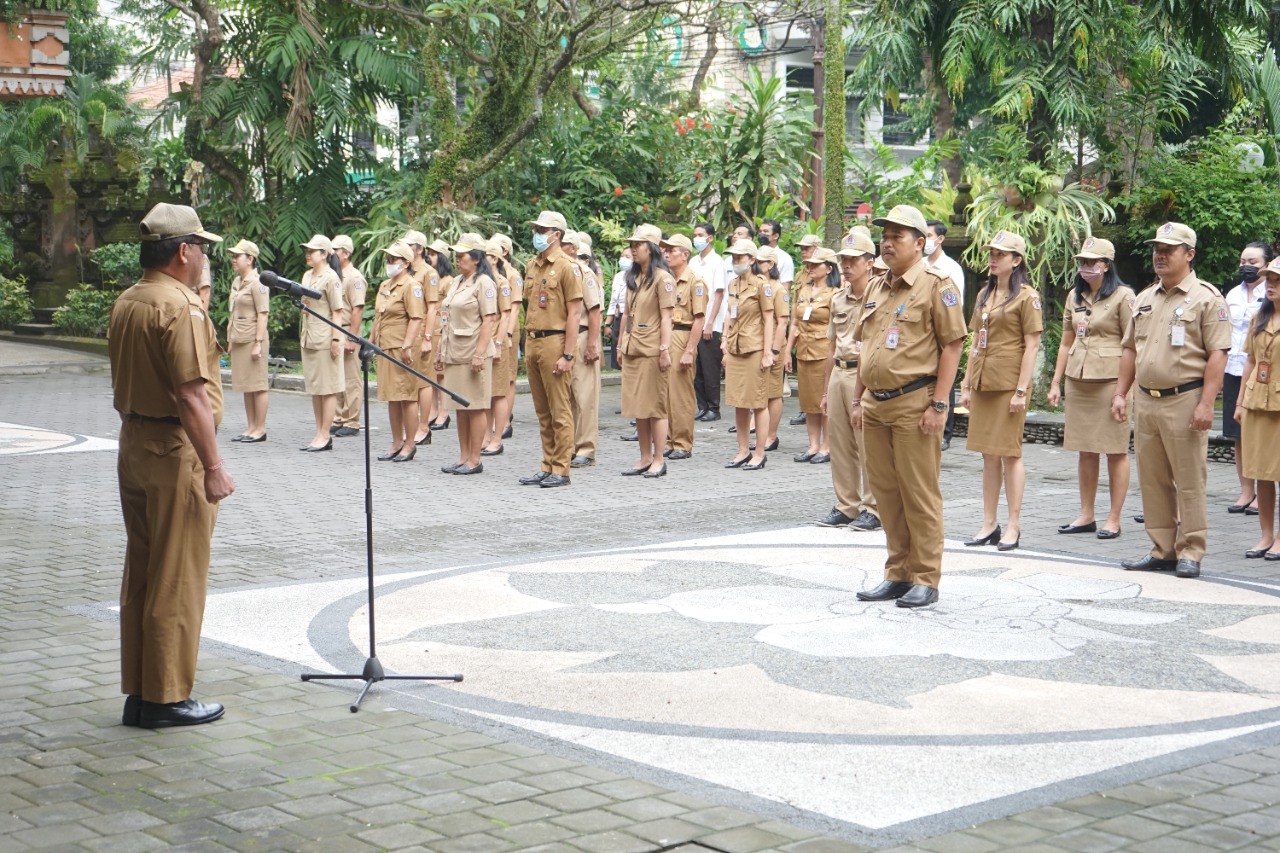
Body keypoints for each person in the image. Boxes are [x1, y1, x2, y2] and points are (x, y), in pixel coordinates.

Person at [108, 202, 233, 728]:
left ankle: (140, 692)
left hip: (135, 443)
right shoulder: (181, 307)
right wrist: (213, 465)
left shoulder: (128, 300)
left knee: (143, 570)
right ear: (183, 251)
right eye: (201, 247)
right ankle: (166, 698)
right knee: (176, 574)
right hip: (173, 449)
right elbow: (190, 395)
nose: (204, 257)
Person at [851, 205, 965, 609]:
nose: (887, 243)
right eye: (885, 236)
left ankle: (925, 578)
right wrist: (858, 398)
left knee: (919, 494)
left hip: (915, 403)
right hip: (875, 404)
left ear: (920, 243)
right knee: (886, 494)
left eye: (897, 236)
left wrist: (940, 404)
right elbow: (867, 347)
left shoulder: (937, 285)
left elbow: (953, 345)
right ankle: (897, 573)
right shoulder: (876, 286)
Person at [1113, 222, 1230, 579]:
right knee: (1153, 479)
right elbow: (1130, 349)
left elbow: (1218, 354)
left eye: (1169, 249)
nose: (1159, 255)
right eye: (1156, 249)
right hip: (1146, 401)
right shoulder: (1145, 298)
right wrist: (1120, 393)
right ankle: (1162, 549)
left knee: (1189, 479)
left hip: (1185, 398)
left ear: (1189, 254)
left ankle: (1191, 550)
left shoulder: (1207, 298)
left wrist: (1206, 403)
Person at [957, 230, 1044, 552]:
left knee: (1010, 453)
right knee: (987, 455)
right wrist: (966, 384)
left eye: (1000, 254)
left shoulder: (1027, 297)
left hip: (1009, 384)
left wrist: (1021, 390)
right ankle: (988, 523)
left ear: (1016, 260)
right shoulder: (985, 294)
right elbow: (975, 343)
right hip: (983, 382)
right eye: (991, 254)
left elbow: (1032, 346)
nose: (993, 259)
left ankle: (1013, 526)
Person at [1046, 237, 1135, 539]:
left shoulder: (1124, 296)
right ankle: (1087, 515)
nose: (1085, 267)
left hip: (1111, 381)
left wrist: (1123, 391)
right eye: (1082, 262)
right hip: (1079, 380)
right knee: (1085, 450)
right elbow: (1066, 342)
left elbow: (1131, 345)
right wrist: (1056, 382)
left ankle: (1114, 518)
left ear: (1106, 265)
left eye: (1091, 262)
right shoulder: (1075, 296)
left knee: (1115, 450)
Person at [818, 230, 880, 530]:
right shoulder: (838, 299)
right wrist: (825, 391)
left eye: (854, 259)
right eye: (844, 259)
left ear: (870, 262)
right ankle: (847, 504)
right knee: (840, 443)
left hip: (865, 374)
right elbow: (831, 347)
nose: (846, 264)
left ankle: (874, 506)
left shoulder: (879, 297)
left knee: (868, 444)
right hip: (840, 373)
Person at [519, 210, 582, 487]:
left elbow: (575, 313)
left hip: (555, 341)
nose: (537, 234)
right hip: (533, 341)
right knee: (542, 411)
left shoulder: (568, 267)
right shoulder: (532, 265)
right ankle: (547, 464)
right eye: (536, 229)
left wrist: (568, 354)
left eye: (542, 230)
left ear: (557, 235)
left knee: (560, 410)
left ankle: (561, 468)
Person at [436, 234, 499, 474]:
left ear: (476, 258)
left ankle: (475, 459)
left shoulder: (484, 283)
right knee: (460, 407)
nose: (457, 259)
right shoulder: (457, 282)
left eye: (462, 255)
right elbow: (446, 318)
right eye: (457, 255)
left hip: (473, 352)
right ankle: (463, 457)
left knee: (475, 407)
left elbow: (489, 320)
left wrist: (480, 354)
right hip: (454, 352)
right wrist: (440, 350)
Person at [618, 223, 675, 477]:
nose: (633, 249)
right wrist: (620, 344)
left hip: (652, 349)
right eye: (631, 245)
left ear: (651, 248)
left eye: (638, 245)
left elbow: (667, 317)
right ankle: (644, 457)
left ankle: (659, 459)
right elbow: (627, 315)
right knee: (638, 406)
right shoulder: (633, 278)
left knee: (655, 406)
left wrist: (664, 349)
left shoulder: (663, 279)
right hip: (633, 348)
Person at [1235, 256, 1280, 559]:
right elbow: (1250, 362)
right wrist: (1240, 402)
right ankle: (1265, 536)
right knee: (1262, 473)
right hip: (1256, 402)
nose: (1271, 285)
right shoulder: (1259, 318)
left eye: (1277, 281)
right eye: (1270, 280)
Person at [1224, 242, 1271, 514]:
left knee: (1259, 434)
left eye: (1252, 262)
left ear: (1266, 265)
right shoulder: (1232, 294)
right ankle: (1246, 491)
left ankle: (1263, 493)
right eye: (1243, 261)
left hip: (1262, 374)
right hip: (1233, 369)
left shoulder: (1272, 294)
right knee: (1237, 434)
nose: (1246, 266)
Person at [721, 238, 775, 469]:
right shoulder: (733, 284)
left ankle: (759, 452)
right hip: (735, 347)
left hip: (754, 348)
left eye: (739, 257)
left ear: (752, 259)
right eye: (733, 257)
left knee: (758, 402)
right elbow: (729, 314)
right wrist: (724, 340)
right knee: (739, 402)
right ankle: (743, 450)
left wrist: (767, 352)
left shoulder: (762, 285)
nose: (735, 261)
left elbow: (769, 319)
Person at [370, 241, 425, 462]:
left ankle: (410, 444)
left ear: (406, 263)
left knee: (407, 396)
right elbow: (378, 317)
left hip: (402, 348)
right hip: (385, 346)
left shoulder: (412, 286)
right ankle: (396, 441)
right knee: (392, 397)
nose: (390, 263)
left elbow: (416, 318)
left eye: (394, 259)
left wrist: (407, 346)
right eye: (388, 259)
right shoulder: (385, 285)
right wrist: (371, 343)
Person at [787, 247, 839, 462]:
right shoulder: (804, 289)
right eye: (810, 264)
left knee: (824, 400)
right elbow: (795, 322)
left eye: (817, 265)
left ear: (829, 269)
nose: (811, 267)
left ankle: (827, 446)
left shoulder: (836, 293)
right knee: (808, 401)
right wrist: (788, 351)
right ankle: (813, 445)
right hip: (804, 351)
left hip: (824, 351)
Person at [660, 233, 708, 460]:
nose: (667, 254)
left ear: (685, 254)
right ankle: (669, 439)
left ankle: (682, 442)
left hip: (682, 335)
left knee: (681, 393)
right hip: (667, 335)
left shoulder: (695, 282)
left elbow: (699, 319)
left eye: (672, 250)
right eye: (666, 250)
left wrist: (690, 350)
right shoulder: (667, 279)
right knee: (666, 392)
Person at [298, 234, 346, 452]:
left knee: (328, 388)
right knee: (316, 388)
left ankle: (325, 434)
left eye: (312, 251)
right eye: (307, 251)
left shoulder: (331, 277)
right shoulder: (307, 275)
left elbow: (337, 311)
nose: (308, 254)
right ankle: (318, 431)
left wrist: (336, 339)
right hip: (309, 337)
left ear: (325, 254)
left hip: (326, 338)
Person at [562, 231, 603, 468]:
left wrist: (592, 344)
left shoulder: (584, 273)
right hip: (561, 338)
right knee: (565, 397)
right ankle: (568, 446)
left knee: (584, 396)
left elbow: (594, 311)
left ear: (573, 248)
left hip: (582, 334)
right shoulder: (557, 271)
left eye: (563, 244)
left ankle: (586, 448)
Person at [925, 219, 967, 450]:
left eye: (929, 236)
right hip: (922, 332)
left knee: (945, 379)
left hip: (943, 330)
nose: (925, 240)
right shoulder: (919, 265)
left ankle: (945, 432)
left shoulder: (951, 268)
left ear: (940, 239)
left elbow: (955, 304)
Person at [226, 239, 269, 443]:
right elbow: (233, 312)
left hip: (253, 338)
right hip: (239, 338)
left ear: (250, 259)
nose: (234, 259)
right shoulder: (237, 282)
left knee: (258, 385)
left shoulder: (258, 282)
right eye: (233, 256)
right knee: (246, 384)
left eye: (238, 256)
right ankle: (250, 427)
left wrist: (258, 342)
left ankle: (260, 429)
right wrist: (230, 339)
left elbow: (263, 313)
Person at [405, 231, 443, 444]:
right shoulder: (405, 271)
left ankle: (423, 426)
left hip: (423, 333)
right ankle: (411, 427)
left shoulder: (429, 273)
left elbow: (432, 307)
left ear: (420, 249)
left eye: (410, 245)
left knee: (424, 380)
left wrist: (428, 338)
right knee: (409, 380)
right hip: (407, 333)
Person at [330, 234, 368, 438]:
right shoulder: (334, 275)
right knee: (337, 377)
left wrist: (352, 338)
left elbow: (357, 309)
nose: (331, 254)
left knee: (351, 378)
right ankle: (338, 418)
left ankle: (352, 421)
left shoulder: (354, 278)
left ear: (346, 254)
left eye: (335, 250)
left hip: (347, 329)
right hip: (336, 329)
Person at [482, 238, 515, 457]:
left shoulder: (502, 283)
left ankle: (497, 438)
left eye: (485, 255)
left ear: (494, 259)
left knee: (498, 392)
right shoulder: (482, 281)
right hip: (482, 343)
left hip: (496, 342)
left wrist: (499, 342)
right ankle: (485, 436)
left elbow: (506, 315)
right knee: (485, 392)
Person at [691, 222, 726, 422]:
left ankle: (714, 407)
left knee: (710, 368)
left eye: (700, 235)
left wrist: (710, 322)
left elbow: (718, 294)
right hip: (695, 322)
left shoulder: (717, 262)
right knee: (697, 369)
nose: (697, 238)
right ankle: (702, 406)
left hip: (712, 323)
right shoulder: (693, 262)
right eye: (695, 234)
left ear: (710, 238)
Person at [757, 244, 788, 452]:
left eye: (761, 262)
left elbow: (782, 322)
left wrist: (775, 351)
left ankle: (771, 436)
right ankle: (762, 434)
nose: (757, 265)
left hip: (774, 346)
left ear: (771, 264)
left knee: (773, 392)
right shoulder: (757, 285)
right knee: (760, 392)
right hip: (757, 345)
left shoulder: (778, 289)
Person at [606, 246, 632, 372]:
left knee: (626, 346)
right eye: (622, 256)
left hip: (630, 318)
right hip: (618, 316)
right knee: (617, 348)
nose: (623, 259)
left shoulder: (638, 277)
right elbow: (613, 302)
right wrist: (607, 323)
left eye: (627, 257)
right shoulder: (618, 276)